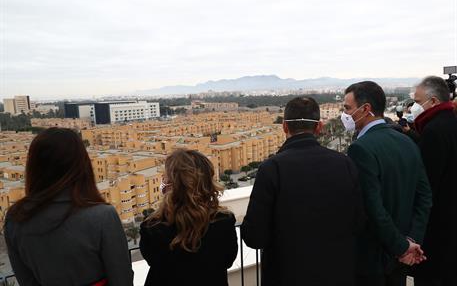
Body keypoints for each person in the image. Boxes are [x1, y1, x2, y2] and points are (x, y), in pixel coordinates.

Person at [242, 97, 365, 286]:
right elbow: (359, 222)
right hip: (338, 273)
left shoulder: (272, 168)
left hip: (286, 275)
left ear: (284, 127)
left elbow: (254, 236)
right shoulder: (345, 164)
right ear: (319, 127)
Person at [4, 128, 133, 286]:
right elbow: (122, 279)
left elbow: (26, 280)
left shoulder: (15, 218)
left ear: (34, 166)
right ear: (81, 164)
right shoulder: (102, 217)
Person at [342, 81, 432, 286]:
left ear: (366, 109)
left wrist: (401, 246)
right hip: (401, 257)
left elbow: (372, 206)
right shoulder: (406, 141)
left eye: (347, 108)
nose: (345, 114)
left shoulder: (360, 148)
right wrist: (411, 241)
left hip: (374, 259)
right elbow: (424, 197)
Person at [140, 149, 238, 286]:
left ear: (170, 184)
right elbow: (228, 260)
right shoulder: (224, 221)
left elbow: (154, 262)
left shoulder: (152, 228)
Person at [410, 76, 457, 286]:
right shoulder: (450, 122)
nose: (414, 107)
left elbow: (427, 184)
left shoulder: (434, 131)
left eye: (418, 102)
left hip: (439, 225)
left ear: (434, 101)